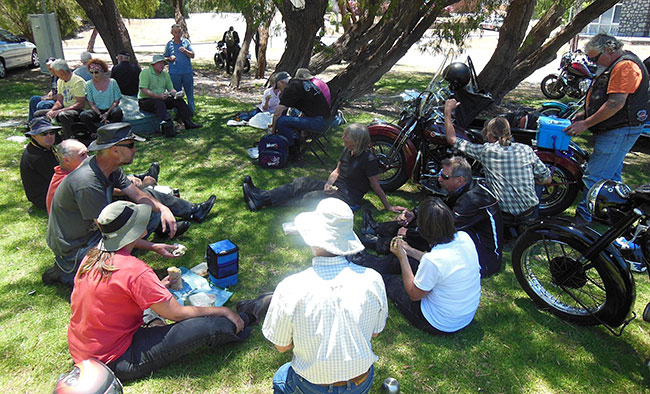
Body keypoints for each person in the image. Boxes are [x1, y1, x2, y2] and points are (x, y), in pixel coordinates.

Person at [67, 200, 268, 382]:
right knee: (208, 326)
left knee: (156, 312)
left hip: (85, 350)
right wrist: (224, 311)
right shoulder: (134, 270)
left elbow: (112, 296)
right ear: (137, 231)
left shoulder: (92, 256)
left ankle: (155, 322)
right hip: (115, 360)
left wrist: (155, 283)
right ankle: (249, 315)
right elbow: (177, 314)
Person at [262, 198, 388, 393]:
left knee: (281, 377)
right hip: (360, 382)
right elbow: (375, 332)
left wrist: (307, 337)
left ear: (312, 237)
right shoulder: (374, 279)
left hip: (312, 385)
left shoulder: (290, 287)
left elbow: (281, 346)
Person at [45, 123, 181, 286]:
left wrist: (163, 208)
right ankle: (70, 271)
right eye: (131, 145)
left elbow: (138, 195)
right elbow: (111, 234)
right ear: (115, 150)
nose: (135, 149)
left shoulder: (110, 167)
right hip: (77, 246)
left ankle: (115, 263)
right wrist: (154, 246)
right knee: (112, 279)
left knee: (150, 211)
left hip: (94, 233)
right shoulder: (88, 183)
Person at [361, 156, 503, 278]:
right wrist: (414, 213)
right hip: (466, 244)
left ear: (460, 180)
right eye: (441, 174)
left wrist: (409, 232)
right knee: (422, 221)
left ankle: (378, 259)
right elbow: (443, 205)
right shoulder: (467, 188)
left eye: (445, 177)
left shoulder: (471, 201)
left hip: (481, 261)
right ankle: (376, 232)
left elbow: (443, 231)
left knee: (420, 251)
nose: (440, 179)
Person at [564, 34, 649, 226]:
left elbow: (615, 104)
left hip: (619, 129)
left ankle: (583, 219)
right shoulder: (617, 64)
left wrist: (585, 124)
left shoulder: (625, 67)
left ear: (609, 50)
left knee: (594, 175)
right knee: (612, 175)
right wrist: (585, 114)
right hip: (616, 127)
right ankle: (618, 215)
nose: (593, 62)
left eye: (595, 58)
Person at [363, 198, 481, 335]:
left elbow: (414, 295)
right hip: (464, 315)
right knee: (413, 261)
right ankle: (367, 260)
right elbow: (439, 265)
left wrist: (403, 258)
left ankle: (365, 263)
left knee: (387, 280)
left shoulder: (433, 260)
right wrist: (410, 251)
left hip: (438, 322)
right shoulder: (464, 237)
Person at [46, 139, 216, 225]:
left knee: (145, 197)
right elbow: (104, 229)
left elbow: (133, 193)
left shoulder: (99, 168)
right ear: (67, 160)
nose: (88, 157)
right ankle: (178, 218)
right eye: (83, 155)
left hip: (99, 215)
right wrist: (153, 247)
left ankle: (179, 216)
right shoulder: (81, 182)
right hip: (87, 238)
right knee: (143, 201)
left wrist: (161, 207)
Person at [242, 123, 406, 213]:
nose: (342, 138)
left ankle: (262, 200)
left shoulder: (368, 160)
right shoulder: (347, 150)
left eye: (346, 136)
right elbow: (337, 171)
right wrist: (328, 184)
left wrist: (388, 206)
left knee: (309, 197)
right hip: (336, 187)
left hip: (347, 196)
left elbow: (375, 186)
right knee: (301, 182)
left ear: (356, 140)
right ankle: (262, 196)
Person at [444, 99, 551, 236]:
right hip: (528, 212)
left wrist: (447, 112)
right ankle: (526, 227)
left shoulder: (486, 151)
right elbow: (547, 179)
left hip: (503, 214)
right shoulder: (526, 150)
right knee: (538, 182)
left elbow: (452, 140)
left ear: (489, 135)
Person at [138, 55, 201, 130]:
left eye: (163, 64)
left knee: (179, 101)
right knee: (159, 103)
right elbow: (144, 90)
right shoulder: (145, 73)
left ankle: (187, 122)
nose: (162, 66)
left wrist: (176, 94)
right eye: (159, 63)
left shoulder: (165, 74)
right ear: (153, 64)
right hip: (145, 100)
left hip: (161, 98)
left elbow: (171, 89)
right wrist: (158, 96)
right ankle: (168, 126)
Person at [270, 71, 330, 147]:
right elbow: (310, 105)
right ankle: (295, 140)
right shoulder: (300, 83)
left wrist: (273, 132)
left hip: (318, 122)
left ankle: (292, 148)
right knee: (292, 117)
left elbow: (277, 114)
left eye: (279, 87)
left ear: (282, 82)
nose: (280, 90)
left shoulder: (291, 88)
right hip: (325, 119)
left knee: (281, 121)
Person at [33, 59, 87, 139]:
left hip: (77, 110)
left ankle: (68, 138)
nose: (54, 73)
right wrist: (52, 110)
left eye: (55, 71)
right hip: (65, 108)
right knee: (38, 114)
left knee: (63, 115)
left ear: (61, 72)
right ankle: (54, 138)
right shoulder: (60, 81)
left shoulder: (78, 81)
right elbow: (59, 101)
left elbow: (80, 104)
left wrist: (61, 110)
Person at [20, 117, 60, 210]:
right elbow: (56, 178)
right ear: (33, 136)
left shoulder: (44, 148)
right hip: (43, 198)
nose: (49, 136)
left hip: (49, 191)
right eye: (44, 134)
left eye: (51, 132)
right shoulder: (37, 156)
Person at [79, 59, 124, 134]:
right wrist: (100, 115)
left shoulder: (112, 82)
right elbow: (91, 103)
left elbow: (116, 101)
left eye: (96, 72)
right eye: (91, 72)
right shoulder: (89, 84)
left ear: (102, 71)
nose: (94, 75)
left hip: (111, 109)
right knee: (84, 115)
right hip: (97, 111)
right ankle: (96, 133)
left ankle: (114, 132)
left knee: (117, 112)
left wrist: (107, 113)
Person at [164, 24, 196, 114]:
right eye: (175, 32)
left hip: (187, 72)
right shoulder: (169, 44)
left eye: (179, 32)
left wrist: (185, 51)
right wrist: (170, 58)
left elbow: (192, 55)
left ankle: (191, 112)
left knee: (189, 93)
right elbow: (164, 58)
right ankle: (178, 113)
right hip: (174, 73)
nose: (177, 34)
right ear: (172, 33)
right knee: (176, 94)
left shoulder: (186, 42)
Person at [28, 57, 58, 121]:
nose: (51, 71)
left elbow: (61, 96)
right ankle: (31, 123)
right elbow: (54, 88)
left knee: (42, 104)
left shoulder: (61, 77)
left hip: (58, 101)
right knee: (34, 99)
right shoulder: (54, 76)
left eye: (51, 69)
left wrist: (48, 98)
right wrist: (49, 94)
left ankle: (41, 124)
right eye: (49, 69)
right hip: (52, 97)